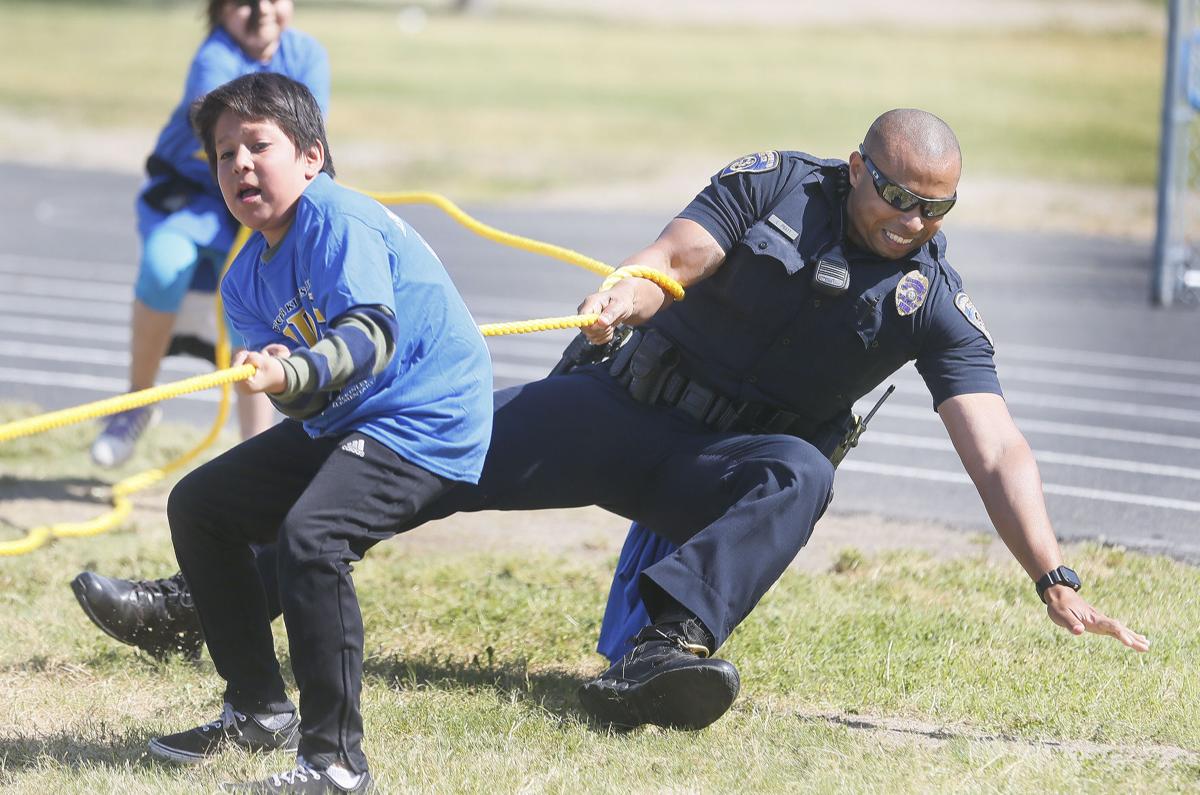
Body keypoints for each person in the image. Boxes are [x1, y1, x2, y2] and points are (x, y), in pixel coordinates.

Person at [82, 108, 1150, 741]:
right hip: (615, 406)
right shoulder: (774, 186)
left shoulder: (935, 300)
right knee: (417, 448)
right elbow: (676, 254)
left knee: (800, 473)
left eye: (937, 211)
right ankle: (215, 598)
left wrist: (1054, 575)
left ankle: (663, 650)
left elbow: (995, 442)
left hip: (720, 469)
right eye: (901, 200)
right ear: (859, 168)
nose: (915, 225)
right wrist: (632, 289)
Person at [144, 73, 491, 794]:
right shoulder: (244, 281)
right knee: (200, 504)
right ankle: (255, 708)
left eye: (257, 145)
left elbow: (369, 336)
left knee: (312, 535)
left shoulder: (336, 217)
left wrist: (295, 374)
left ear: (311, 156)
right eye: (223, 153)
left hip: (426, 418)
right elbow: (307, 400)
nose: (239, 163)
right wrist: (281, 376)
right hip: (348, 422)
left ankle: (335, 761)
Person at [89, 0, 329, 468]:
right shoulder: (213, 59)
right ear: (219, 11)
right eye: (244, 2)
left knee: (257, 312)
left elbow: (310, 136)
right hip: (196, 197)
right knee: (164, 266)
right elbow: (227, 139)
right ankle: (136, 403)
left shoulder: (309, 55)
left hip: (262, 200)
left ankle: (256, 455)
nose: (262, 12)